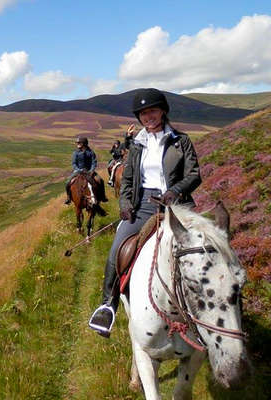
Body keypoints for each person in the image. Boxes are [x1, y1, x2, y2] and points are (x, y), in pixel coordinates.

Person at [88, 88, 201, 337]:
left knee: (205, 248)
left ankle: (212, 308)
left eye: (152, 110)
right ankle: (108, 304)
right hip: (144, 206)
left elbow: (194, 175)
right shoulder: (138, 144)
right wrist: (126, 204)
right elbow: (128, 179)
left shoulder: (181, 141)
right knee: (118, 247)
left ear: (162, 111)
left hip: (177, 204)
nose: (147, 116)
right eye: (143, 113)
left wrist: (175, 191)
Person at [65, 136, 108, 205]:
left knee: (100, 180)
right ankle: (68, 198)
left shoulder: (91, 152)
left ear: (84, 143)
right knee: (67, 182)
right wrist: (78, 170)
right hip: (78, 171)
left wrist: (91, 170)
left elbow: (94, 162)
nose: (77, 144)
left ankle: (103, 197)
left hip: (89, 171)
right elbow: (74, 164)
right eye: (77, 143)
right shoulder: (75, 153)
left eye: (79, 143)